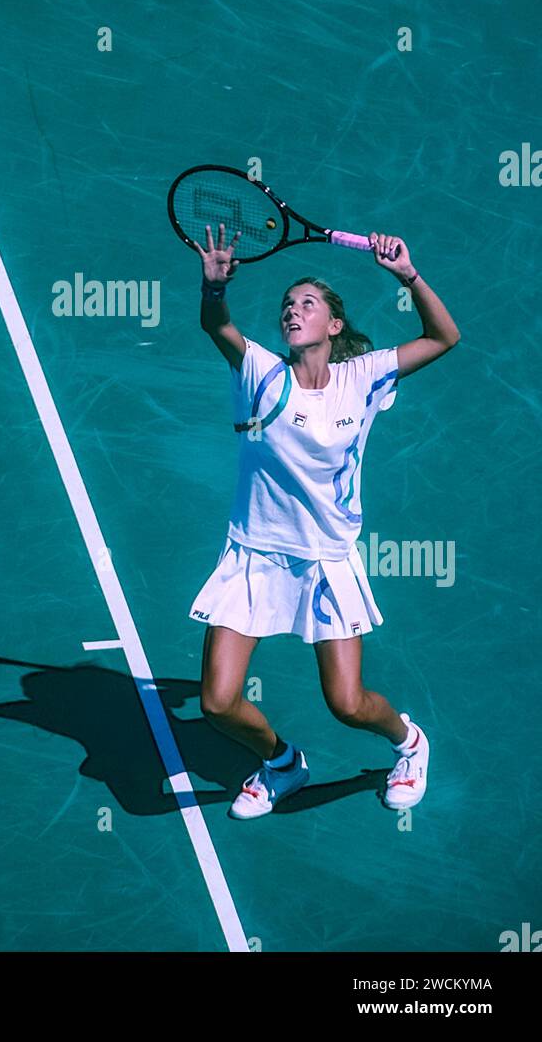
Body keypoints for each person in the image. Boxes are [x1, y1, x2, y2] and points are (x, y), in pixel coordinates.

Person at [188, 223, 460, 819]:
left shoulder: (363, 378)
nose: (292, 311)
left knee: (348, 703)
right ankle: (283, 762)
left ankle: (409, 744)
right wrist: (214, 290)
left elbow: (444, 337)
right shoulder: (260, 372)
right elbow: (219, 326)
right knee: (216, 702)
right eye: (287, 305)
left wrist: (408, 275)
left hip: (326, 558)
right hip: (255, 554)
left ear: (333, 326)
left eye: (307, 304)